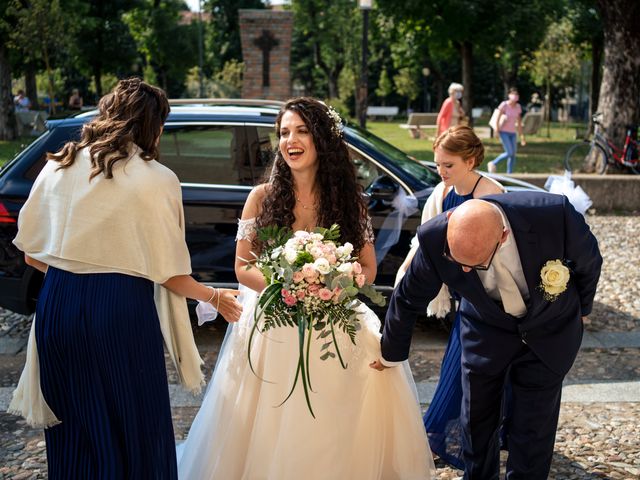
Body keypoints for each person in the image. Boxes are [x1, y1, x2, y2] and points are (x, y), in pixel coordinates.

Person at [177, 97, 436, 479]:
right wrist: (292, 286)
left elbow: (366, 266)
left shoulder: (349, 201)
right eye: (284, 132)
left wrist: (333, 282)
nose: (290, 140)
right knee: (272, 413)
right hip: (274, 319)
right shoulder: (261, 197)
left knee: (346, 404)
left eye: (301, 131)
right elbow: (243, 266)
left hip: (336, 315)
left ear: (322, 140)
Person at [8, 77, 242, 478]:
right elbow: (169, 274)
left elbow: (31, 254)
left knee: (73, 426)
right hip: (119, 308)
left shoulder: (57, 166)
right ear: (152, 125)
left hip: (58, 304)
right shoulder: (156, 180)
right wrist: (215, 297)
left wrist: (78, 273)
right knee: (135, 421)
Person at [372, 193, 602, 479]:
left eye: (475, 264)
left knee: (533, 425)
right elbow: (408, 298)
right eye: (459, 262)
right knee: (476, 420)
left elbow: (589, 263)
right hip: (485, 330)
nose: (465, 270)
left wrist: (582, 310)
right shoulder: (434, 238)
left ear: (503, 235)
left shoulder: (554, 214)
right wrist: (390, 354)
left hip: (548, 330)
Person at [394, 125, 504, 470]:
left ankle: (435, 438)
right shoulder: (442, 193)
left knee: (459, 369)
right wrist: (404, 276)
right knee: (464, 369)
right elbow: (424, 241)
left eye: (448, 165)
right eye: (438, 164)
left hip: (491, 300)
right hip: (462, 296)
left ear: (471, 160)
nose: (441, 172)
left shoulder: (493, 194)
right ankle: (482, 435)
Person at [487, 87, 526, 174]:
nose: (515, 96)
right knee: (509, 152)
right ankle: (493, 163)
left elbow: (519, 123)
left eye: (517, 94)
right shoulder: (504, 105)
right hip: (503, 132)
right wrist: (496, 130)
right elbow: (497, 118)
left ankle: (510, 173)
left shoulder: (518, 107)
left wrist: (522, 136)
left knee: (513, 155)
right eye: (513, 94)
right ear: (509, 95)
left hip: (512, 133)